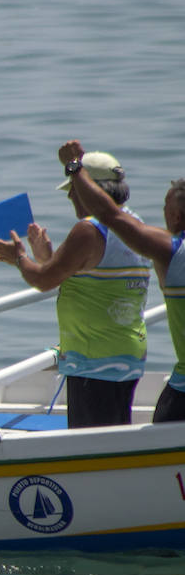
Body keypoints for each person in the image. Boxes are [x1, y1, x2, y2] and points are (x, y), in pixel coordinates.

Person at [0, 146, 150, 427]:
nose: (69, 194)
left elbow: (43, 280)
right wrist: (45, 258)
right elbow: (86, 275)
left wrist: (19, 257)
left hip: (95, 362)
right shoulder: (135, 224)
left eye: (73, 187)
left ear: (91, 189)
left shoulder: (89, 230)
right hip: (128, 355)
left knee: (95, 451)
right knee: (114, 439)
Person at [57, 141, 185, 423]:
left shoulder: (170, 250)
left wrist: (75, 168)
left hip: (103, 365)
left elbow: (110, 216)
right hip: (130, 359)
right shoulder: (155, 240)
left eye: (165, 206)